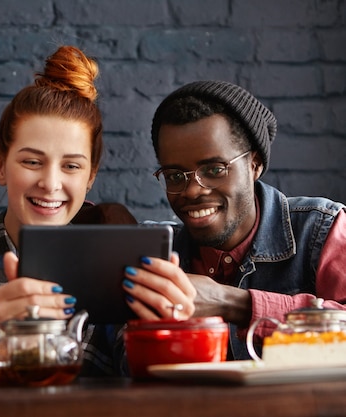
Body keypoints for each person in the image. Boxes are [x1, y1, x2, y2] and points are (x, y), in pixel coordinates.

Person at [0, 45, 195, 376]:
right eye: (32, 162)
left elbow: (150, 382)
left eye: (71, 166)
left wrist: (172, 334)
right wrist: (6, 341)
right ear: (0, 165)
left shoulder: (126, 265)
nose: (50, 183)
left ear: (90, 177)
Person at [148, 80, 346, 359]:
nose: (192, 190)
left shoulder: (320, 230)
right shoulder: (159, 254)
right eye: (175, 176)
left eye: (215, 169)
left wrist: (234, 304)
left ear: (254, 165)